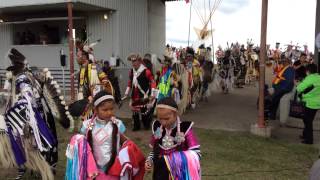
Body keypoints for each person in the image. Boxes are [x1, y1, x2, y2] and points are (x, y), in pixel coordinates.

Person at [1, 48, 72, 179]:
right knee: (34, 142)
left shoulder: (23, 77)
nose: (28, 67)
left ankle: (44, 168)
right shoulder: (18, 77)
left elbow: (28, 94)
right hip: (32, 116)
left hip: (39, 115)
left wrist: (25, 100)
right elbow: (10, 96)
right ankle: (36, 167)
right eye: (26, 65)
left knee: (42, 142)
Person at [66, 90, 145, 179]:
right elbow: (83, 147)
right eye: (105, 110)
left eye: (111, 109)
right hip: (94, 171)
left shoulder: (118, 124)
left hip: (114, 171)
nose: (109, 112)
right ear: (96, 109)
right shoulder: (87, 126)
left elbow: (126, 143)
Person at [145, 97, 201, 180]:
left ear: (175, 114)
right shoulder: (158, 128)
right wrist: (149, 160)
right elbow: (155, 150)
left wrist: (172, 159)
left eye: (167, 118)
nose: (163, 122)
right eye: (160, 118)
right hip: (160, 174)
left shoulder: (185, 129)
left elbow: (196, 154)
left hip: (179, 174)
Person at [124, 54, 157, 131]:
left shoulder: (146, 71)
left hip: (144, 95)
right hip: (134, 94)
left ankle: (146, 124)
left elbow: (153, 82)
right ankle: (136, 126)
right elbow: (130, 82)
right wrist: (126, 92)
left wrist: (152, 94)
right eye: (132, 61)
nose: (133, 63)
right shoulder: (131, 71)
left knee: (144, 111)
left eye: (135, 61)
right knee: (135, 111)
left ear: (139, 61)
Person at [296, 64, 320, 144]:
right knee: (308, 120)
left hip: (309, 103)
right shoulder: (318, 77)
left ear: (308, 71)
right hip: (317, 103)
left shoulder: (309, 78)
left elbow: (299, 88)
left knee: (307, 121)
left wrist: (298, 83)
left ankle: (309, 140)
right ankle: (305, 135)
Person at [269, 54, 295, 120]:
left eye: (284, 62)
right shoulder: (285, 68)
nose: (282, 63)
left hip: (283, 88)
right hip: (280, 87)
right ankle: (272, 113)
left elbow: (288, 82)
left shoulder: (289, 70)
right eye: (283, 61)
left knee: (274, 99)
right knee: (273, 98)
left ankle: (272, 114)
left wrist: (278, 87)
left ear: (287, 62)